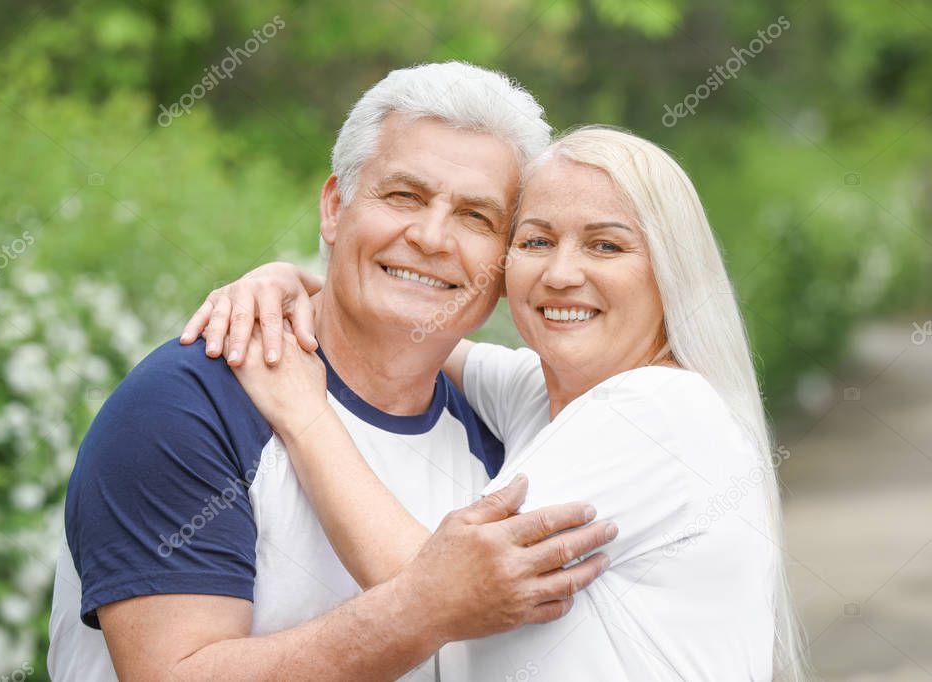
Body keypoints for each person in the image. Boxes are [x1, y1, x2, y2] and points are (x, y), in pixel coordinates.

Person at [47, 62, 617, 681]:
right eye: (405, 196)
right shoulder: (189, 403)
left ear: (507, 263)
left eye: (476, 217)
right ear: (334, 207)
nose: (430, 236)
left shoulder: (506, 434)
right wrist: (423, 607)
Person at [185, 126, 808, 680]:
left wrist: (303, 414)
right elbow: (405, 319)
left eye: (606, 246)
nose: (562, 274)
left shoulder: (658, 413)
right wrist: (283, 282)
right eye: (537, 241)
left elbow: (433, 588)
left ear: (670, 274)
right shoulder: (544, 394)